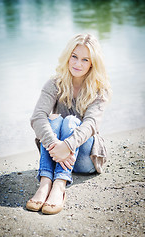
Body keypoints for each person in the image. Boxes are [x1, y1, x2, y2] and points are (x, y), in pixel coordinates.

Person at [26, 33, 111, 214]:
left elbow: (91, 124)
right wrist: (55, 144)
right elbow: (37, 116)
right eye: (74, 56)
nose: (77, 64)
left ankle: (59, 185)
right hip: (56, 153)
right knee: (52, 119)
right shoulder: (55, 83)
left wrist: (68, 146)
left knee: (72, 121)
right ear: (68, 56)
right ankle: (45, 183)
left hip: (85, 159)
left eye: (84, 59)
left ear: (92, 63)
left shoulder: (99, 89)